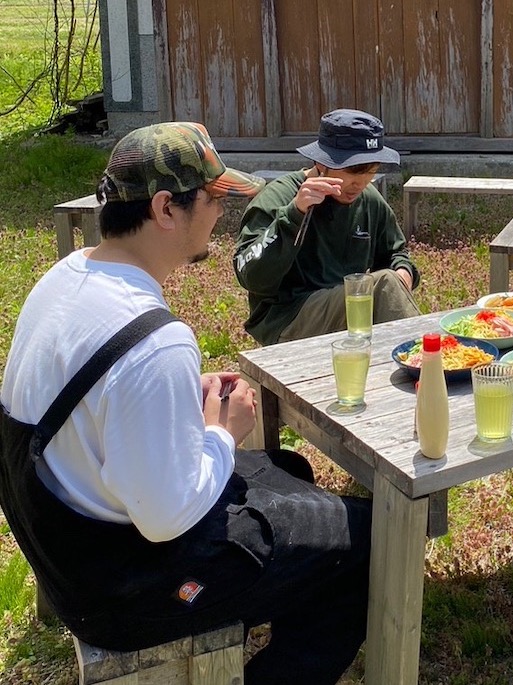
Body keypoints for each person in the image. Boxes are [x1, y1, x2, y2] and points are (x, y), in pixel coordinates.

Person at [0, 122, 372, 684]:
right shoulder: (156, 339)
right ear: (165, 208)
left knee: (289, 467)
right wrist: (225, 431)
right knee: (363, 540)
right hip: (118, 588)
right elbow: (165, 517)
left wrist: (178, 391)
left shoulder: (68, 275)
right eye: (215, 198)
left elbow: (95, 392)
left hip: (62, 542)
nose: (220, 215)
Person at [233, 108, 421, 345]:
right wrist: (294, 214)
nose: (360, 183)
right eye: (353, 171)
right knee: (383, 285)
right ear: (321, 161)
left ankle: (421, 363)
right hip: (287, 316)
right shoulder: (278, 198)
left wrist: (403, 272)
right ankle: (429, 364)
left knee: (387, 282)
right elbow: (249, 276)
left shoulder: (369, 199)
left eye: (371, 171)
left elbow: (396, 253)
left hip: (348, 307)